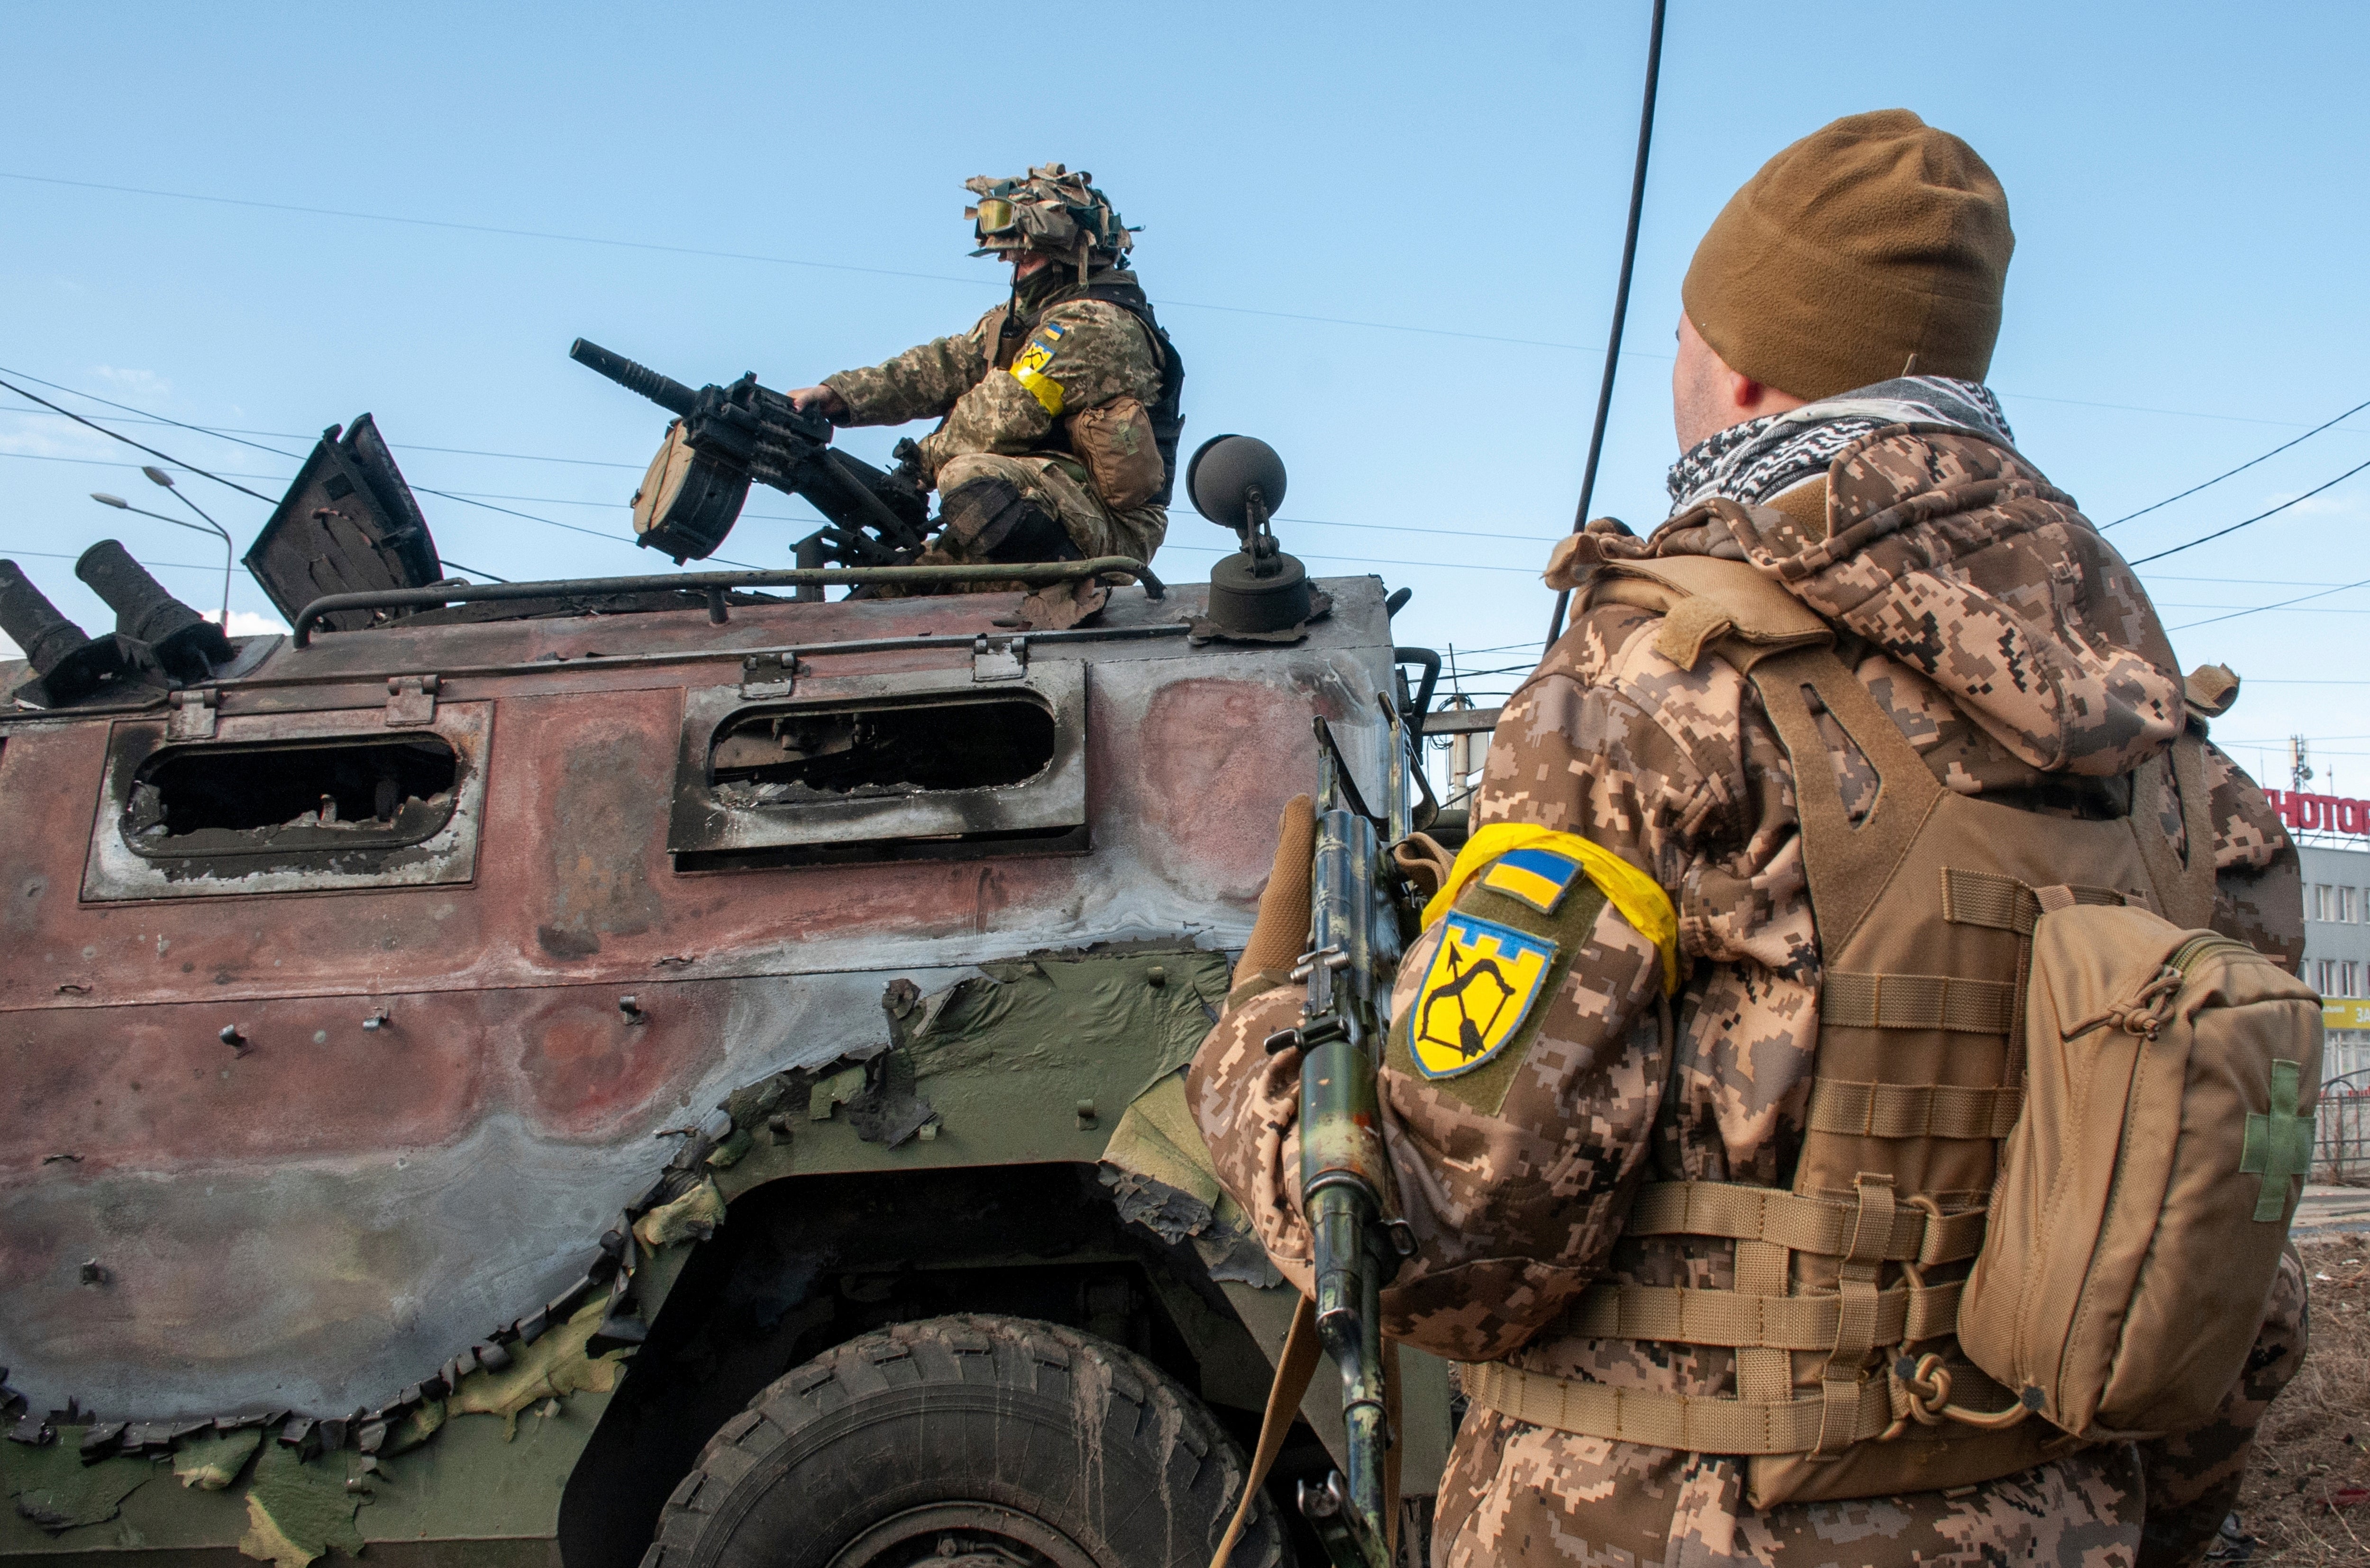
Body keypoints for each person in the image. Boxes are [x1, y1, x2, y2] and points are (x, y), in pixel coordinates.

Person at [1191, 109, 2307, 1567]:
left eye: (1677, 336)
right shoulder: (2174, 759)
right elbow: (2226, 1285)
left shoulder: (1647, 684)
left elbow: (1445, 1241)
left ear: (1741, 369)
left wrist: (1253, 1051)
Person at [786, 164, 1181, 623]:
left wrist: (919, 468)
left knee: (963, 475)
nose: (1011, 267)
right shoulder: (1022, 319)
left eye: (1024, 255)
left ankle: (1071, 585)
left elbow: (1006, 410)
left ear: (1064, 249)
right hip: (1039, 496)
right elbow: (940, 366)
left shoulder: (1095, 326)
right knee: (891, 595)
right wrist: (839, 395)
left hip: (1106, 529)